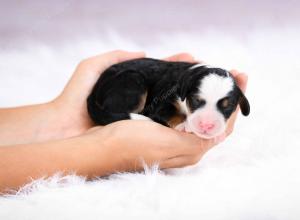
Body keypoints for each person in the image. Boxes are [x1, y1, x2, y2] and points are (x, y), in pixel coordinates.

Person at [0, 50, 248, 193]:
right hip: (123, 84)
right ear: (185, 92)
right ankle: (121, 113)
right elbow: (160, 110)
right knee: (136, 91)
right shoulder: (175, 89)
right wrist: (108, 148)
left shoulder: (191, 82)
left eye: (224, 109)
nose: (207, 122)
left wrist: (59, 117)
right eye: (198, 103)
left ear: (240, 104)